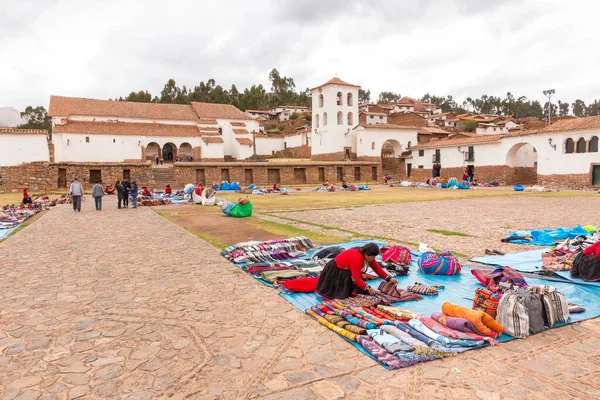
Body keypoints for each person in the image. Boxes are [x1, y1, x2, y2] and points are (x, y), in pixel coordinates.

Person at [316, 243, 398, 299]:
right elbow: (356, 278)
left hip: (346, 269)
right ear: (367, 255)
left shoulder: (366, 254)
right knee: (340, 294)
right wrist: (369, 289)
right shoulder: (357, 259)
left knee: (356, 288)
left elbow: (375, 267)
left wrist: (388, 278)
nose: (373, 259)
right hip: (336, 269)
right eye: (373, 257)